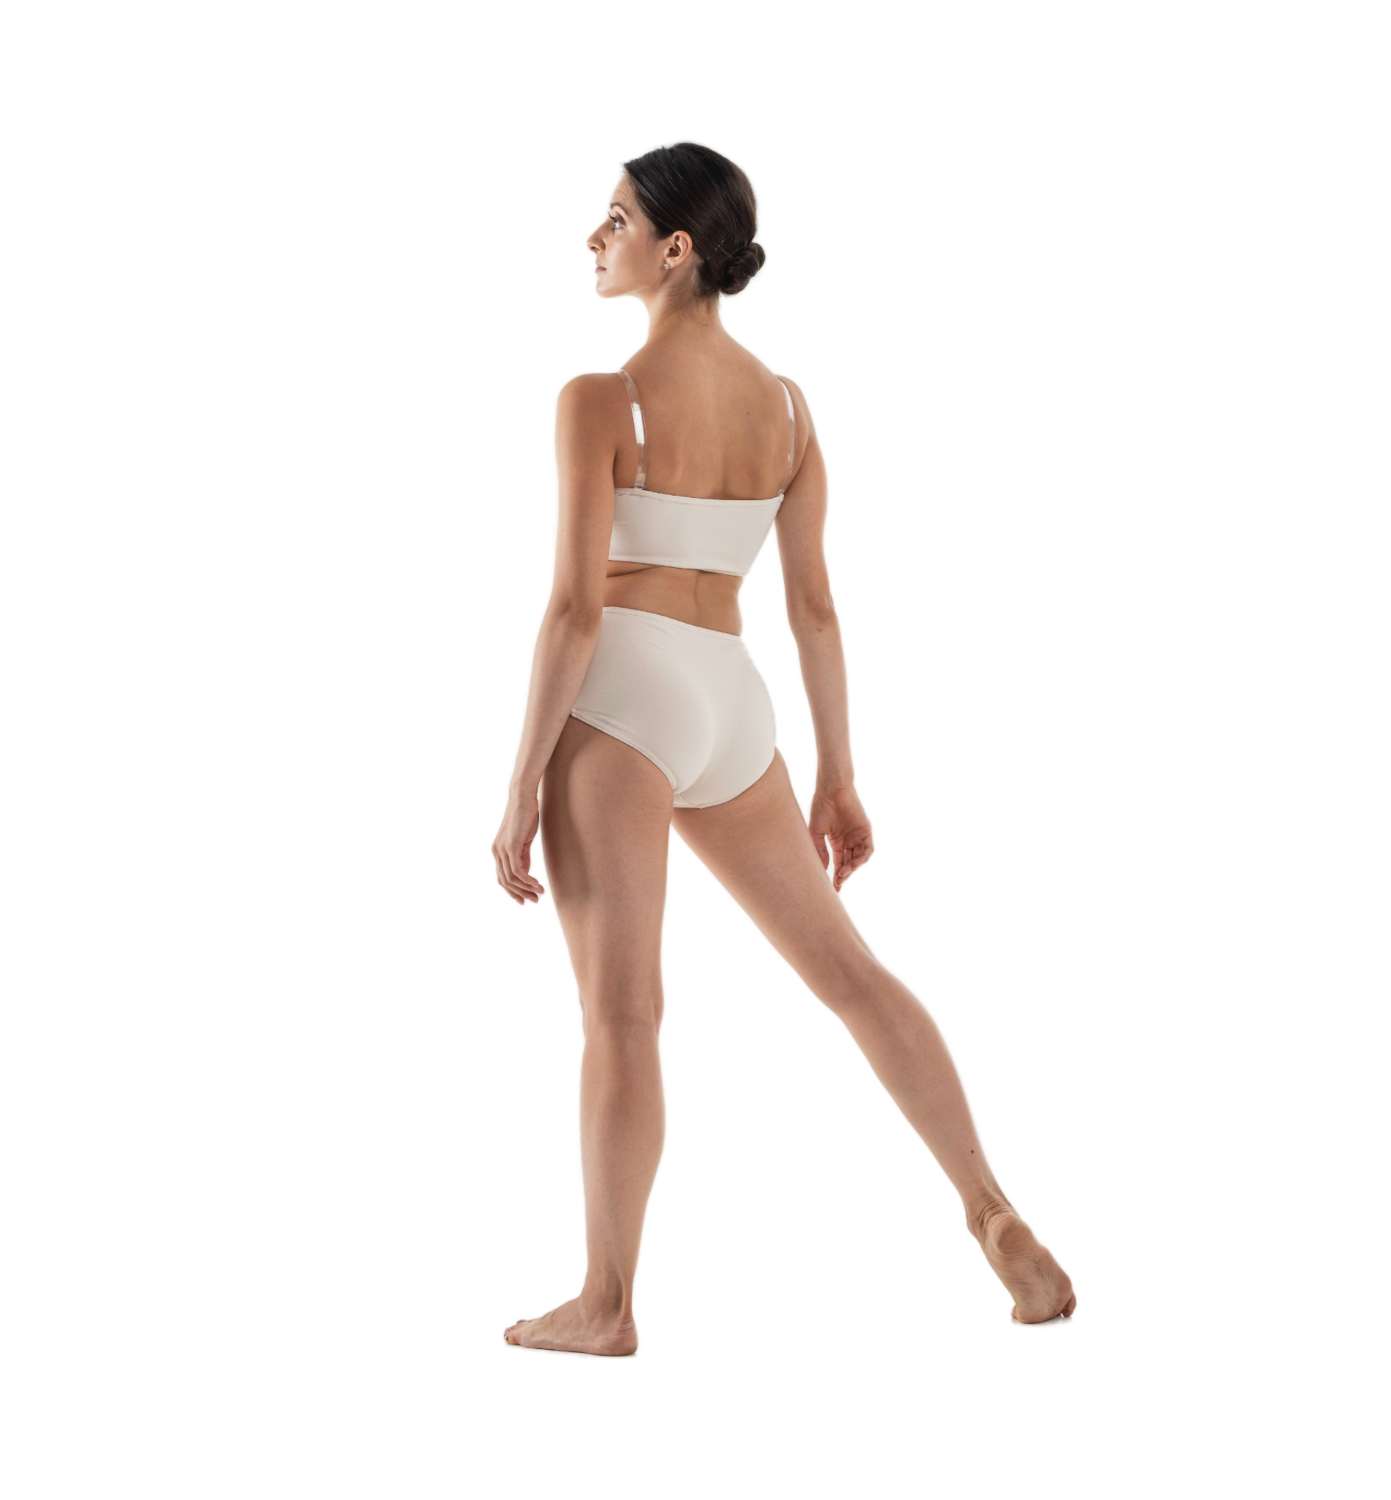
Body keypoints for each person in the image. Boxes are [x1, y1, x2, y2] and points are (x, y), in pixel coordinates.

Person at [493, 142, 1074, 1355]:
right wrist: (835, 776)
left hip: (621, 702)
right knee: (851, 976)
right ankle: (990, 1209)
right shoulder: (789, 409)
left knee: (623, 1016)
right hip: (731, 701)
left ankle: (605, 1303)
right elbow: (812, 607)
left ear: (675, 249)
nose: (593, 239)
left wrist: (518, 785)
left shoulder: (599, 400)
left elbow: (575, 611)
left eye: (614, 220)